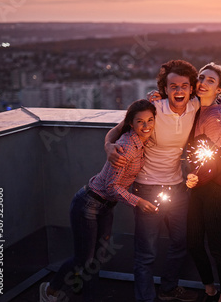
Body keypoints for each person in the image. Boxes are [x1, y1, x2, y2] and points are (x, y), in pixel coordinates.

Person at [39, 99, 159, 302]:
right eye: (140, 121)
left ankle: (86, 293)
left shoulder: (143, 143)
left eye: (150, 120)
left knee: (94, 261)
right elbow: (111, 187)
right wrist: (138, 202)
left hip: (105, 207)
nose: (146, 126)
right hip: (88, 204)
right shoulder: (126, 146)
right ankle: (50, 290)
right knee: (84, 259)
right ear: (131, 123)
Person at [104, 60, 200, 302]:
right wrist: (108, 146)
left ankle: (168, 290)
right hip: (147, 189)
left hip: (178, 189)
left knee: (180, 243)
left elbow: (217, 99)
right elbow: (119, 129)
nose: (179, 91)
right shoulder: (154, 108)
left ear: (191, 89)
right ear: (164, 89)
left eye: (184, 86)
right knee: (146, 253)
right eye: (173, 86)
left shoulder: (195, 106)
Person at [184, 63, 221, 302]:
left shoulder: (214, 116)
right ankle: (209, 288)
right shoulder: (195, 108)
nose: (203, 83)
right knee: (193, 241)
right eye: (201, 78)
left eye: (211, 81)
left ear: (220, 89)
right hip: (199, 184)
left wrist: (198, 177)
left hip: (216, 186)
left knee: (215, 243)